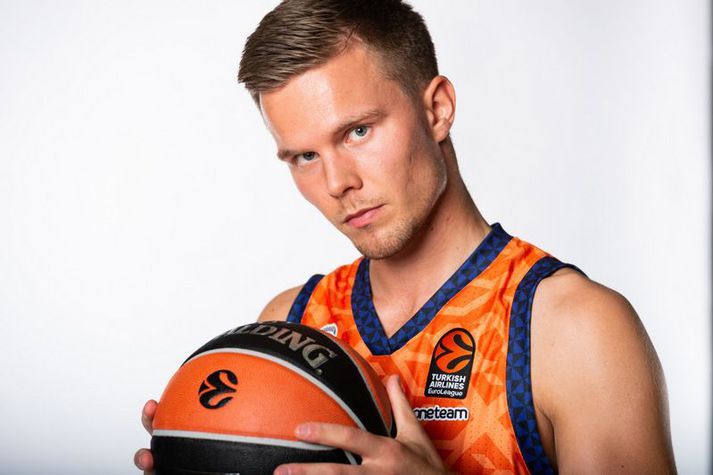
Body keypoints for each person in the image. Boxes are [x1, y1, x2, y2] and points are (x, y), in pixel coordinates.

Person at [135, 1, 676, 473]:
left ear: (436, 109)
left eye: (358, 132)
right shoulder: (289, 323)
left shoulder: (572, 330)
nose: (337, 183)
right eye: (304, 156)